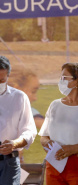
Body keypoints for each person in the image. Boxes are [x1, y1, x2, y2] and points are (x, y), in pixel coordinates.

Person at [39, 62, 78, 185]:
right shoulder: (55, 105)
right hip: (55, 163)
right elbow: (44, 136)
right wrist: (47, 143)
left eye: (64, 78)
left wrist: (72, 149)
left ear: (77, 81)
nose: (60, 81)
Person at [0, 56, 37, 185]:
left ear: (8, 76)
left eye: (2, 80)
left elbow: (29, 130)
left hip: (9, 163)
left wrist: (14, 143)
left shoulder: (19, 97)